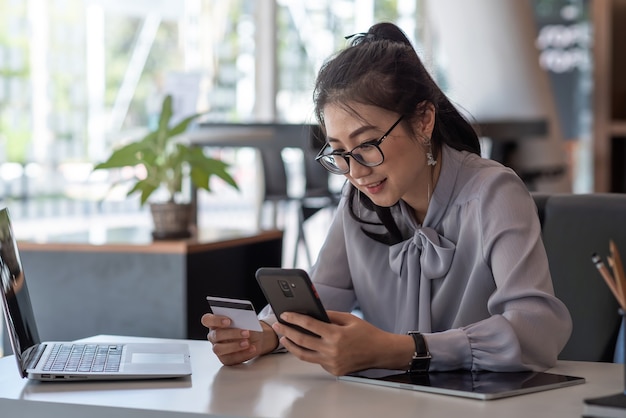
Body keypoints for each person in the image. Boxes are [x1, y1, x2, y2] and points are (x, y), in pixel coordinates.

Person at [201, 22, 572, 376]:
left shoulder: (494, 194)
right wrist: (268, 334)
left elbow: (537, 334)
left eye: (367, 145)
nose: (355, 171)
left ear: (423, 120)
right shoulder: (358, 202)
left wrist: (398, 350)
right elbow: (324, 293)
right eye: (339, 152)